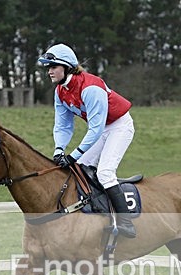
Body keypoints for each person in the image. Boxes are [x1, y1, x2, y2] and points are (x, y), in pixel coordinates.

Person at [38, 43, 136, 238]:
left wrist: (73, 155)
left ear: (66, 67)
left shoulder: (90, 88)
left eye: (53, 67)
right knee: (80, 170)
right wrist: (59, 149)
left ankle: (127, 223)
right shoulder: (60, 91)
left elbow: (96, 128)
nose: (49, 71)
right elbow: (63, 125)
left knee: (105, 173)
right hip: (101, 129)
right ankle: (95, 214)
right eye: (48, 67)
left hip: (119, 126)